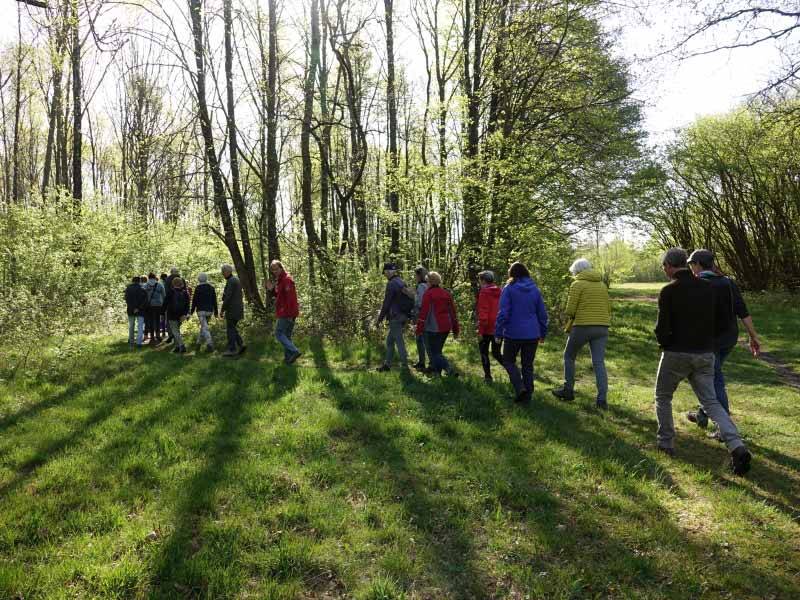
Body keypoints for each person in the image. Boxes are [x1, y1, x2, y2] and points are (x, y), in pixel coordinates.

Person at [653, 248, 751, 475]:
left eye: (664, 266)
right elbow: (718, 321)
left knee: (663, 396)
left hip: (676, 352)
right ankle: (737, 446)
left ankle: (665, 443)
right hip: (706, 353)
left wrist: (665, 343)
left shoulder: (669, 290)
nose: (664, 270)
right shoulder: (709, 288)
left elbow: (662, 328)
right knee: (711, 402)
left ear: (669, 265)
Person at [685, 249, 761, 438]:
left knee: (714, 380)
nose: (691, 268)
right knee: (709, 376)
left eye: (691, 264)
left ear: (699, 264)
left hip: (709, 342)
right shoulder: (728, 283)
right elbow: (742, 311)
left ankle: (725, 429)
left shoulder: (696, 284)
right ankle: (703, 414)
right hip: (728, 339)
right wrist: (753, 336)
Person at [551, 258, 612, 409]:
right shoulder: (602, 285)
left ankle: (568, 390)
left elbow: (570, 310)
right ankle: (602, 399)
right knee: (598, 362)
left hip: (583, 326)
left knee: (569, 356)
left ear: (576, 271)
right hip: (602, 326)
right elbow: (608, 307)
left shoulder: (577, 284)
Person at [494, 262, 548, 404]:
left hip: (513, 333)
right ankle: (528, 395)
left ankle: (520, 388)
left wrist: (498, 332)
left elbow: (503, 313)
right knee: (527, 365)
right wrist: (543, 333)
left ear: (512, 273)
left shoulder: (509, 289)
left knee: (508, 361)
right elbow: (542, 314)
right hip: (532, 334)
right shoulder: (535, 290)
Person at [415, 271, 460, 376]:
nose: (426, 284)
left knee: (434, 353)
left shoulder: (428, 294)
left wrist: (419, 329)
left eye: (427, 282)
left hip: (433, 328)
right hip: (446, 327)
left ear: (429, 282)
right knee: (438, 352)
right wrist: (455, 329)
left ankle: (449, 369)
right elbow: (453, 312)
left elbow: (424, 313)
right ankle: (437, 373)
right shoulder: (446, 293)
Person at [375, 263, 411, 372]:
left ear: (388, 272)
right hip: (404, 315)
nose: (385, 275)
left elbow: (387, 303)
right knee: (390, 341)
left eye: (385, 273)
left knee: (399, 341)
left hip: (395, 316)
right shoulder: (401, 281)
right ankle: (387, 365)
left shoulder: (391, 284)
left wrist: (380, 319)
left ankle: (405, 366)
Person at [266, 260, 301, 364]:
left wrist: (289, 314)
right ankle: (288, 358)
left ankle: (294, 351)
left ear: (281, 268)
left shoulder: (287, 280)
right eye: (273, 270)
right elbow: (279, 296)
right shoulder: (280, 280)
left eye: (276, 269)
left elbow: (291, 299)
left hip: (287, 312)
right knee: (287, 335)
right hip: (287, 311)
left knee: (279, 333)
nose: (275, 271)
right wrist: (271, 290)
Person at [476, 270, 503, 382]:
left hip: (486, 327)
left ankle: (488, 377)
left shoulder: (484, 292)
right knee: (497, 353)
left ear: (483, 280)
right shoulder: (501, 291)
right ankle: (513, 371)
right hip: (498, 327)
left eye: (480, 280)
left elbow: (484, 312)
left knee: (484, 352)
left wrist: (480, 330)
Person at [220, 264, 246, 357]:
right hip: (238, 308)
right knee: (232, 328)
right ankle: (241, 344)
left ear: (227, 272)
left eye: (223, 272)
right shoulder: (235, 280)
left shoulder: (231, 281)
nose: (223, 274)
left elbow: (228, 297)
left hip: (232, 309)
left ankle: (232, 349)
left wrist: (222, 309)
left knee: (230, 329)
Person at [191, 272, 218, 352]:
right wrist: (216, 312)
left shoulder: (198, 288)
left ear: (199, 279)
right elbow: (214, 301)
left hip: (201, 311)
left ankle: (210, 344)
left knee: (205, 328)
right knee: (204, 328)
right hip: (209, 311)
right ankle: (198, 345)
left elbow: (194, 301)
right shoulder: (211, 288)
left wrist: (191, 311)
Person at [411, 266, 430, 371]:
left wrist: (413, 296)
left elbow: (421, 302)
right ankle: (422, 362)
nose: (415, 277)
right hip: (425, 315)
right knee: (422, 338)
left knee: (420, 339)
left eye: (416, 275)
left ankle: (424, 362)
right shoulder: (427, 285)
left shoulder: (421, 286)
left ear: (419, 275)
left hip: (421, 315)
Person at [166, 277, 190, 353]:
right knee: (177, 331)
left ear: (173, 283)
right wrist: (185, 314)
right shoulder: (185, 293)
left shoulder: (170, 292)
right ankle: (177, 347)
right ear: (181, 284)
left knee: (175, 331)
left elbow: (166, 303)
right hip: (181, 314)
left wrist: (162, 313)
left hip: (172, 314)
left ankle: (182, 345)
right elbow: (187, 304)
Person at [124, 276, 148, 347]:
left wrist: (133, 308)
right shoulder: (142, 289)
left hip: (130, 310)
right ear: (139, 281)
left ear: (132, 281)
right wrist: (138, 308)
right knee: (140, 326)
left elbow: (126, 299)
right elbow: (145, 301)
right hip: (140, 311)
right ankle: (139, 342)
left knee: (131, 326)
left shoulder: (128, 289)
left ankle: (131, 341)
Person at [145, 273, 166, 345]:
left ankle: (152, 337)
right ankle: (158, 335)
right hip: (158, 305)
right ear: (155, 277)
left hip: (149, 305)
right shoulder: (159, 284)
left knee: (150, 320)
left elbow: (143, 296)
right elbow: (164, 295)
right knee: (157, 320)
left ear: (148, 277)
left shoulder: (146, 285)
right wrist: (164, 304)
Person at [164, 267, 181, 344]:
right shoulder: (180, 279)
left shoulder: (167, 280)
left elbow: (166, 291)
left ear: (171, 272)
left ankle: (171, 334)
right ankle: (176, 335)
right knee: (178, 320)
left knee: (169, 320)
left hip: (170, 302)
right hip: (180, 303)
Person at [159, 273, 169, 339]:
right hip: (166, 302)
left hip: (161, 303)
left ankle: (163, 331)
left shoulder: (160, 284)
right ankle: (165, 331)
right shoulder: (167, 283)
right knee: (166, 317)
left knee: (163, 317)